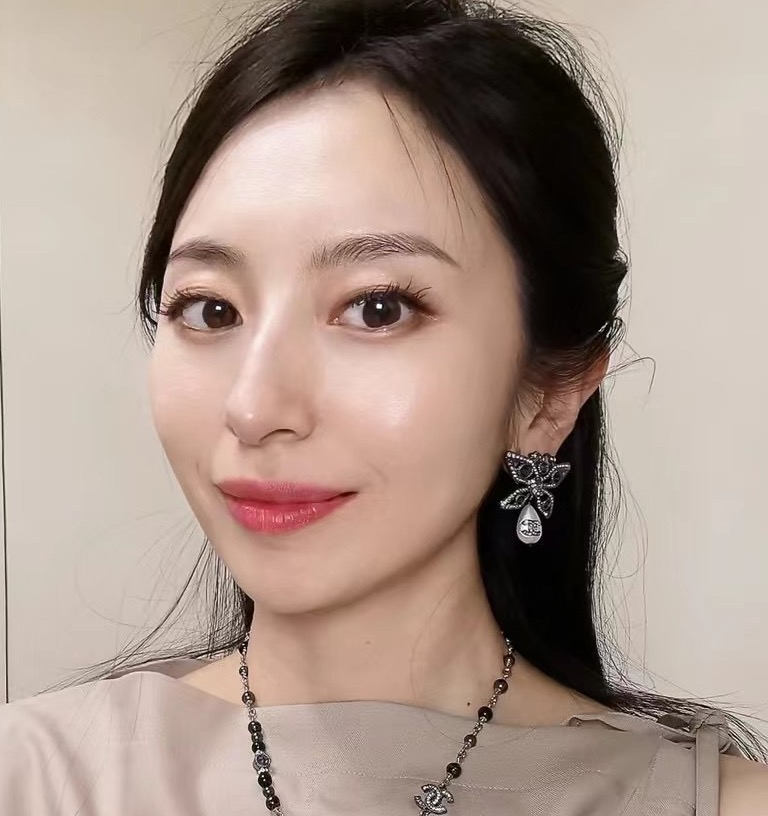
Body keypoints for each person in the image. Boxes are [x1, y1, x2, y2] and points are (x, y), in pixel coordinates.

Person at [1, 0, 766, 813]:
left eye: (377, 309)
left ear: (548, 395)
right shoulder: (36, 779)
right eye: (211, 309)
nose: (253, 408)